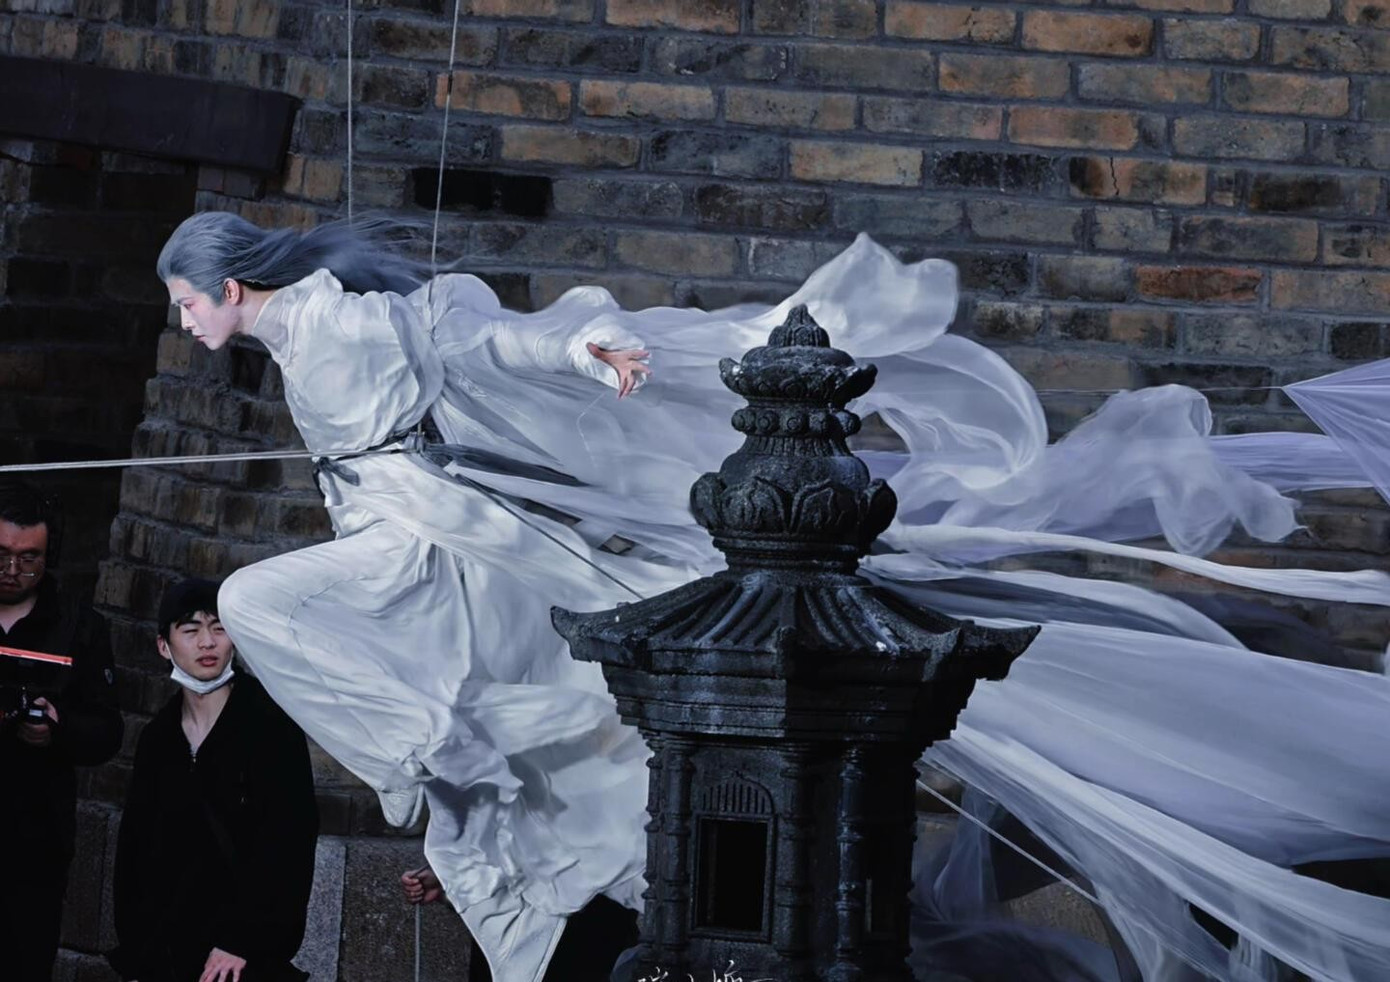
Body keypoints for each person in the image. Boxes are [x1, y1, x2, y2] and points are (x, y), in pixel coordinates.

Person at [155, 211, 1390, 982]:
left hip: (440, 549)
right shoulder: (298, 340)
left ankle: (429, 752)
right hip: (410, 558)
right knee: (480, 797)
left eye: (182, 300)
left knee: (256, 602)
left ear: (226, 286)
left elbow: (470, 344)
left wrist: (574, 347)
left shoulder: (344, 324)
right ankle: (455, 774)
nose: (179, 318)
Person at [107, 578, 318, 982]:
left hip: (241, 958)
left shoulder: (270, 726)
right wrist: (137, 949)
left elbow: (289, 842)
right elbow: (135, 849)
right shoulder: (158, 738)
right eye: (191, 630)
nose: (207, 642)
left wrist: (242, 939)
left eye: (219, 628)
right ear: (164, 646)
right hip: (167, 952)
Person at [0, 477, 122, 980]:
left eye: (28, 558)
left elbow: (107, 731)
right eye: (1, 555)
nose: (12, 570)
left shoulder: (79, 627)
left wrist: (57, 726)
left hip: (32, 841)